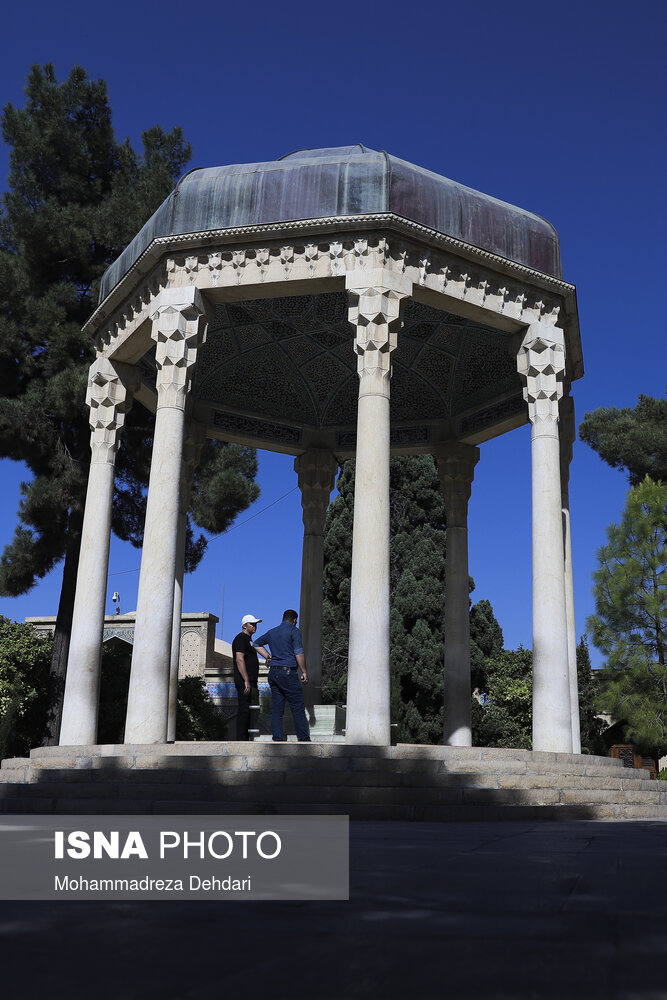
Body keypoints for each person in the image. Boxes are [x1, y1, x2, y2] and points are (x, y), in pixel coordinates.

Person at [254, 610, 311, 743]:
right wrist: (304, 671)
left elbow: (256, 644)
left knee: (277, 708)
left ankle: (277, 738)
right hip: (288, 673)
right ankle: (303, 739)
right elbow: (299, 653)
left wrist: (268, 656)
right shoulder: (294, 631)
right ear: (294, 620)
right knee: (297, 707)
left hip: (273, 673)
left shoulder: (272, 632)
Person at [232, 613, 262, 741]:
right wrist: (246, 680)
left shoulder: (250, 641)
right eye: (252, 624)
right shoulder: (240, 639)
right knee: (244, 710)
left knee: (253, 711)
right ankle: (241, 740)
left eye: (255, 624)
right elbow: (240, 659)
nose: (255, 626)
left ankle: (249, 737)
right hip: (245, 681)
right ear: (245, 625)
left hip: (251, 681)